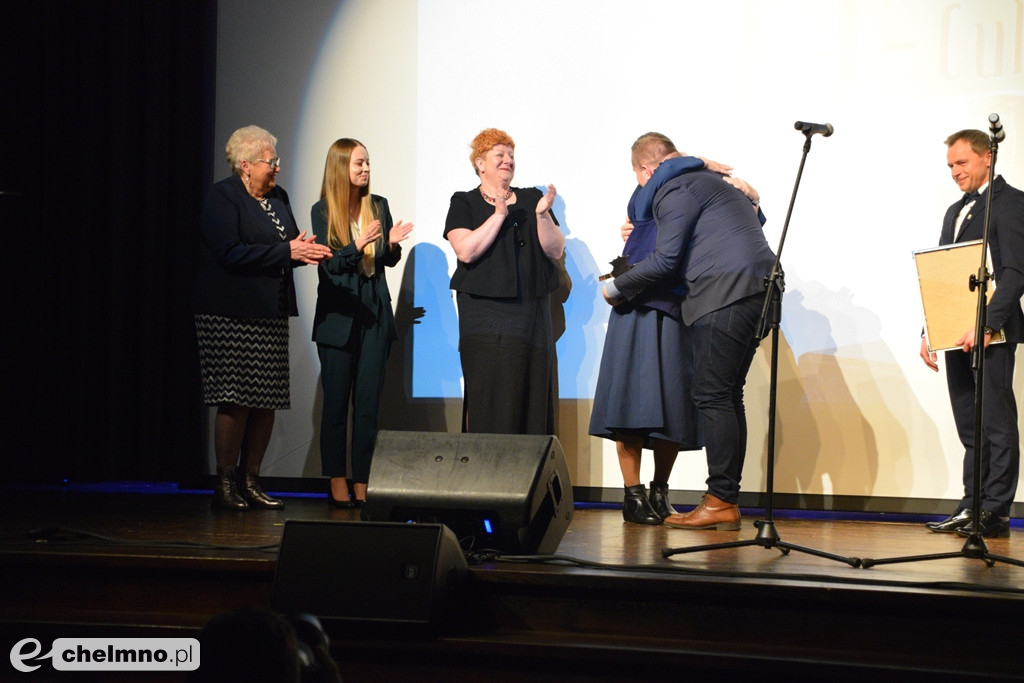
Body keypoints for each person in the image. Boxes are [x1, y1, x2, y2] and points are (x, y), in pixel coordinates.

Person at [602, 132, 775, 531]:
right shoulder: (717, 185)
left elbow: (665, 261)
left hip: (726, 289)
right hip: (759, 289)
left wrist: (615, 287)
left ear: (647, 171)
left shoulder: (674, 186)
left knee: (714, 394)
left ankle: (720, 500)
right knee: (728, 395)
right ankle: (725, 499)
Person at [193, 125, 332, 511]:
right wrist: (286, 251)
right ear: (245, 164)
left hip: (269, 311)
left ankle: (251, 482)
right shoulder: (223, 197)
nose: (277, 169)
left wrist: (303, 250)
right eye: (271, 162)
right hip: (229, 313)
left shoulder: (278, 197)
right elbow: (229, 253)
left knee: (266, 400)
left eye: (277, 161)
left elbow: (282, 247)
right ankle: (225, 485)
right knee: (235, 400)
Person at [920, 129, 1024, 539]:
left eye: (962, 163)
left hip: (989, 333)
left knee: (996, 423)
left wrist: (988, 323)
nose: (954, 172)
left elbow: (1016, 273)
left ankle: (995, 511)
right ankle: (971, 505)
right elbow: (943, 275)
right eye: (950, 165)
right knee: (970, 425)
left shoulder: (1011, 203)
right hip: (953, 332)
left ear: (987, 158)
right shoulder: (953, 211)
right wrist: (929, 329)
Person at [311, 139, 413, 508]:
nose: (365, 169)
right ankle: (336, 478)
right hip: (338, 317)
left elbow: (383, 259)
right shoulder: (322, 211)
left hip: (374, 315)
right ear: (341, 168)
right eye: (358, 164)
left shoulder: (378, 205)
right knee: (337, 404)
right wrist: (358, 244)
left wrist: (391, 244)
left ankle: (363, 479)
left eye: (367, 162)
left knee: (368, 406)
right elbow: (330, 266)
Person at [444, 128, 565, 434]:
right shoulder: (464, 202)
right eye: (499, 154)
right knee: (489, 394)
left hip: (531, 316)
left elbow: (555, 249)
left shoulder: (532, 199)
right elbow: (466, 251)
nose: (507, 160)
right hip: (484, 319)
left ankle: (529, 476)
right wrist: (498, 215)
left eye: (511, 155)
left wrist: (540, 216)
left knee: (531, 394)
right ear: (480, 163)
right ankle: (486, 473)